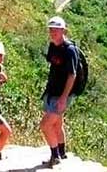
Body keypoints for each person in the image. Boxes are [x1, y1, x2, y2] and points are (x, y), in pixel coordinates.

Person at [40, 16, 79, 168]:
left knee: (45, 125)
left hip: (62, 94)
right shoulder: (53, 46)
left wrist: (63, 98)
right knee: (56, 124)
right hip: (53, 92)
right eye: (51, 29)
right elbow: (52, 64)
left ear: (63, 30)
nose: (53, 32)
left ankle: (55, 156)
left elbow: (72, 75)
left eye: (56, 29)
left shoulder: (70, 50)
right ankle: (61, 153)